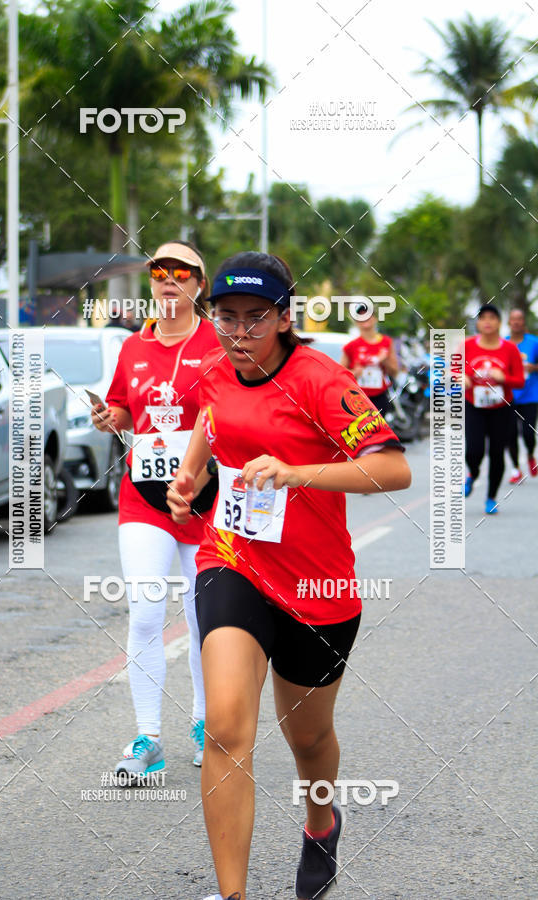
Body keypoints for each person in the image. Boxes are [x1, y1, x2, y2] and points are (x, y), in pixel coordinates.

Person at [167, 252, 411, 900]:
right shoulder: (216, 370)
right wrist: (191, 474)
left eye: (255, 318)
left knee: (308, 740)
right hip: (234, 560)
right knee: (224, 726)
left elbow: (393, 469)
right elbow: (209, 417)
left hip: (317, 587)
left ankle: (321, 822)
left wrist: (297, 474)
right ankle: (232, 895)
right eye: (225, 317)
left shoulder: (320, 379)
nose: (238, 332)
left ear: (283, 316)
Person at [91, 240, 219, 779]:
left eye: (180, 270)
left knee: (202, 618)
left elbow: (227, 413)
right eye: (158, 270)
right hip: (143, 498)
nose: (168, 278)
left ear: (198, 283)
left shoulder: (217, 342)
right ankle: (148, 736)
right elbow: (125, 408)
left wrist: (199, 475)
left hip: (207, 500)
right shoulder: (133, 348)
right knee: (145, 610)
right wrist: (109, 417)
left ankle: (204, 725)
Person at [464, 303, 525, 514]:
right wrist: (462, 377)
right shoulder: (467, 345)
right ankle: (472, 473)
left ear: (499, 323)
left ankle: (491, 497)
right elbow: (453, 370)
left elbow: (519, 381)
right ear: (478, 323)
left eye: (492, 317)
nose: (487, 321)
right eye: (483, 318)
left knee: (497, 453)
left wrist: (504, 378)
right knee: (474, 449)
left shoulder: (510, 349)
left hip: (502, 407)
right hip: (474, 406)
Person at [340, 304, 399, 416]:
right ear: (356, 322)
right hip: (357, 399)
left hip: (380, 397)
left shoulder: (386, 343)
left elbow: (395, 371)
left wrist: (384, 360)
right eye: (360, 316)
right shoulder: (351, 346)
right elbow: (341, 375)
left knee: (379, 431)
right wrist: (354, 373)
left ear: (375, 318)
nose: (364, 318)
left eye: (368, 315)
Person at [505, 308, 538, 483]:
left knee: (527, 433)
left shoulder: (534, 342)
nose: (516, 322)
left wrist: (534, 368)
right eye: (513, 319)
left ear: (523, 322)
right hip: (508, 397)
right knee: (510, 434)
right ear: (509, 322)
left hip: (530, 396)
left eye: (519, 319)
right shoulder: (503, 343)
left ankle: (531, 454)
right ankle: (515, 469)